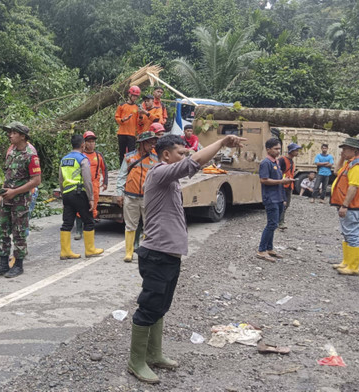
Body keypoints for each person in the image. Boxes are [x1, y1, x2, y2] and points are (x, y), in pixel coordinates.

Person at [127, 133, 246, 384]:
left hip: (168, 254)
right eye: (180, 153)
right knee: (148, 307)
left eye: (184, 152)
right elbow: (195, 162)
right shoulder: (159, 172)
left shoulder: (169, 179)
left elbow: (193, 164)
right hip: (157, 254)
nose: (184, 157)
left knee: (160, 306)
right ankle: (135, 361)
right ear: (166, 155)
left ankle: (154, 353)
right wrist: (222, 142)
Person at [0, 122, 41, 279]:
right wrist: (1, 195)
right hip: (6, 198)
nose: (10, 135)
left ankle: (18, 265)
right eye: (9, 132)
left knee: (19, 232)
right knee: (2, 231)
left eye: (13, 132)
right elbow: (8, 176)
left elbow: (36, 180)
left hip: (20, 200)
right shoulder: (11, 152)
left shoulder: (31, 155)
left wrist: (15, 192)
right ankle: (3, 264)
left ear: (22, 136)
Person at [58, 134, 103, 260]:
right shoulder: (82, 159)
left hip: (67, 194)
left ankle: (65, 251)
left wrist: (63, 195)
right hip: (79, 193)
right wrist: (91, 198)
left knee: (67, 223)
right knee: (88, 221)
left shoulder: (64, 159)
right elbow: (87, 180)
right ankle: (90, 249)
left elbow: (60, 179)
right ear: (83, 145)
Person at [116, 131, 159, 263]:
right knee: (130, 226)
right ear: (141, 143)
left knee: (149, 226)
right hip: (131, 197)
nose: (152, 145)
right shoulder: (129, 157)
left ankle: (147, 252)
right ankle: (129, 253)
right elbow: (122, 175)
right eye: (150, 142)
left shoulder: (156, 159)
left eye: (153, 142)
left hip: (148, 198)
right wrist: (119, 193)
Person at [330, 137, 359, 275]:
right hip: (348, 205)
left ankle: (353, 267)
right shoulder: (349, 163)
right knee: (346, 233)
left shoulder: (356, 166)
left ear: (354, 150)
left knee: (352, 234)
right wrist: (341, 158)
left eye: (345, 149)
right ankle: (346, 262)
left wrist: (345, 205)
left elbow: (353, 187)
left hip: (353, 206)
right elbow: (336, 172)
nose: (343, 151)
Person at [257, 138, 295, 262]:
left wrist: (283, 198)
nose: (278, 151)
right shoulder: (265, 163)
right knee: (271, 224)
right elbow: (264, 180)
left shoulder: (276, 162)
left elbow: (279, 181)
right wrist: (282, 181)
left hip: (278, 197)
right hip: (270, 198)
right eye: (276, 149)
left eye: (279, 149)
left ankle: (269, 248)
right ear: (268, 149)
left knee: (275, 224)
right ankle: (261, 250)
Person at [72, 131, 108, 240]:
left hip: (95, 186)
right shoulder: (80, 155)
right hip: (82, 185)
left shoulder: (98, 155)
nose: (91, 144)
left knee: (93, 207)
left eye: (93, 142)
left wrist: (105, 182)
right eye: (88, 141)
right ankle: (79, 230)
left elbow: (104, 168)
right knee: (80, 207)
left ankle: (90, 229)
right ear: (84, 143)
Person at [278, 143, 302, 229]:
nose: (297, 152)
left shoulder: (291, 161)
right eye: (296, 150)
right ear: (291, 151)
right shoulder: (282, 160)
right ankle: (280, 222)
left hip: (289, 185)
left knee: (286, 204)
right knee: (283, 204)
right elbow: (278, 172)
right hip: (283, 185)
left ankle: (279, 220)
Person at [115, 86, 141, 164]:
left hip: (132, 134)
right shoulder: (121, 106)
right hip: (122, 133)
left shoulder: (137, 107)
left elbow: (138, 122)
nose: (135, 98)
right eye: (133, 95)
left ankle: (130, 169)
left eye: (136, 96)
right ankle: (121, 169)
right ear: (129, 94)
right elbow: (117, 118)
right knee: (122, 152)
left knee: (131, 153)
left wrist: (138, 133)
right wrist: (123, 120)